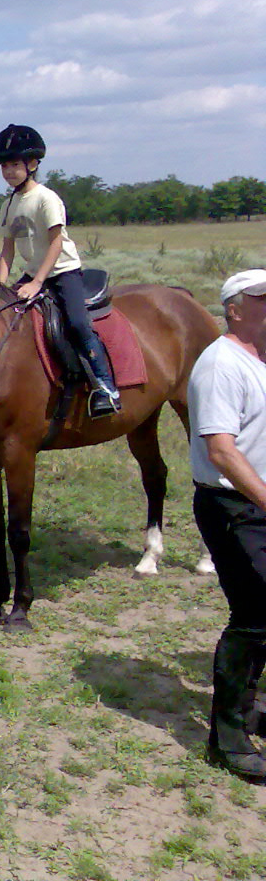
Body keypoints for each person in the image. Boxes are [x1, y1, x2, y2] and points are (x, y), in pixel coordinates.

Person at [188, 268, 266, 785]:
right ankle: (228, 738)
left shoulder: (261, 359)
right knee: (256, 613)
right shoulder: (220, 365)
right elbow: (221, 449)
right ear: (235, 309)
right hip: (234, 506)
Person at [0, 123, 120, 418]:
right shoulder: (8, 204)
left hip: (62, 272)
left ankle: (105, 387)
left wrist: (37, 282)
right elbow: (7, 249)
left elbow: (56, 242)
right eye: (4, 166)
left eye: (14, 164)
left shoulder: (46, 198)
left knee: (77, 324)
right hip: (33, 273)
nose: (9, 171)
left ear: (33, 164)